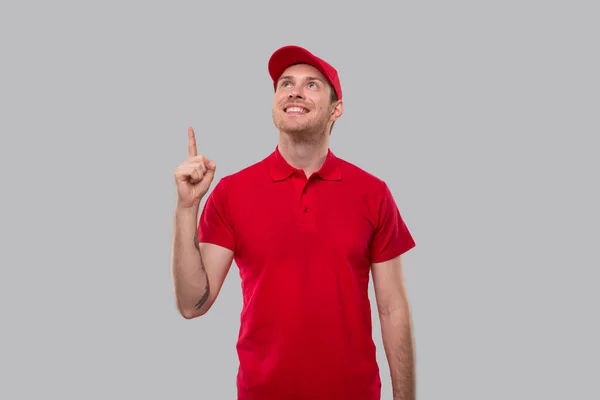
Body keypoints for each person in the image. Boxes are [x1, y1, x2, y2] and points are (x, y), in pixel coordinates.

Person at [171, 45, 417, 400]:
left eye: (312, 85)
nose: (294, 91)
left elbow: (393, 308)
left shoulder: (373, 193)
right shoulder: (232, 192)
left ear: (337, 109)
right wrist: (185, 208)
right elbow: (192, 304)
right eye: (285, 83)